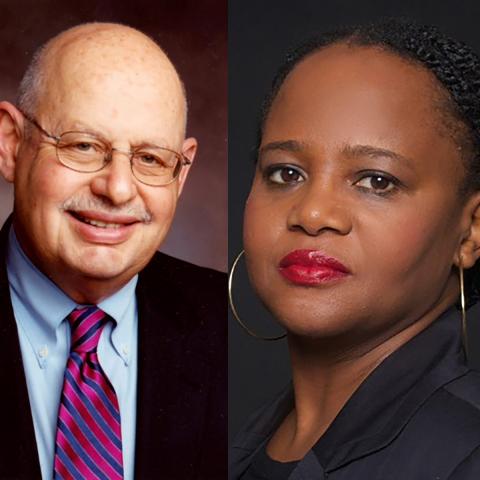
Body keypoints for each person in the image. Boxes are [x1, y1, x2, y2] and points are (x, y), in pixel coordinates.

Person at [229, 19, 480, 479]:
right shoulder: (244, 444)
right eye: (286, 173)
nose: (313, 213)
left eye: (376, 181)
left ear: (470, 232)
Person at [0, 23, 226, 479]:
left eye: (150, 159)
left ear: (180, 175)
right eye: (82, 146)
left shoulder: (232, 324)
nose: (119, 189)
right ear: (11, 144)